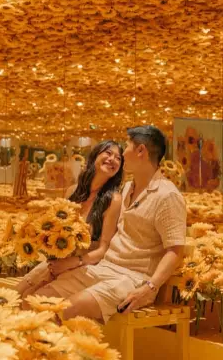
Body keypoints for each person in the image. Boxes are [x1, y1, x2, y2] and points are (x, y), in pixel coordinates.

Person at [31, 125, 187, 322]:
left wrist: (150, 287)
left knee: (62, 311)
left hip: (132, 279)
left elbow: (175, 250)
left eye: (126, 147)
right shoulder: (128, 188)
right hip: (103, 268)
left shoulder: (167, 195)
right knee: (38, 300)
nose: (123, 154)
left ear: (141, 151)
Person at [17, 140, 124, 297]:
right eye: (108, 153)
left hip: (87, 265)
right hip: (60, 259)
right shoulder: (72, 191)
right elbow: (56, 228)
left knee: (35, 299)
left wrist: (72, 262)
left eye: (118, 158)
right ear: (95, 156)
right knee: (19, 292)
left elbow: (103, 249)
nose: (112, 159)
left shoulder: (113, 200)